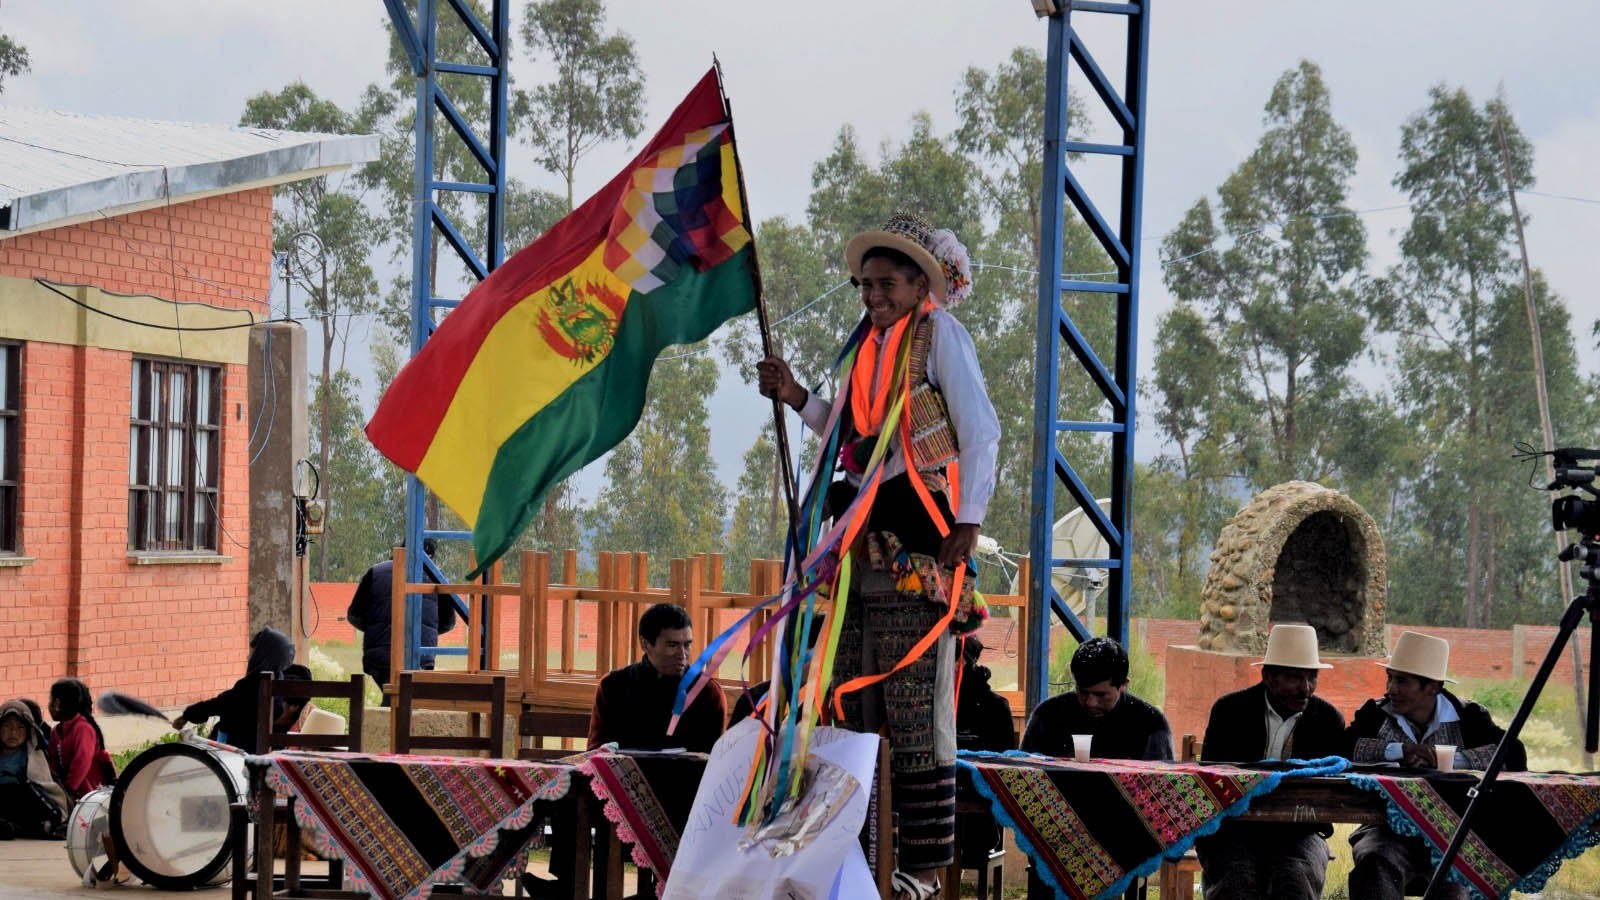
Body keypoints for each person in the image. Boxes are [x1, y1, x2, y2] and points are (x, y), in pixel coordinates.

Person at [758, 213, 1001, 898]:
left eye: (886, 283)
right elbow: (848, 434)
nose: (872, 296)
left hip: (920, 536)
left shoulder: (940, 336)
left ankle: (920, 870)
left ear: (921, 284)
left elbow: (981, 431)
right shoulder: (868, 346)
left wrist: (970, 520)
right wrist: (795, 395)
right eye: (865, 285)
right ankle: (853, 856)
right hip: (858, 539)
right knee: (848, 697)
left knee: (914, 705)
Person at [1345, 631, 1524, 900]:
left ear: (1433, 687)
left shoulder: (1468, 716)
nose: (1391, 689)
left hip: (1452, 832)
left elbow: (1514, 755)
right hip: (1384, 828)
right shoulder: (1375, 714)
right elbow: (1341, 748)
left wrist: (1446, 758)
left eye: (1402, 681)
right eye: (1390, 678)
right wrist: (1400, 751)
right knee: (1374, 864)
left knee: (1457, 878)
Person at [1194, 623, 1347, 900]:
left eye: (1312, 677)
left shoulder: (1328, 719)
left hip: (1300, 832)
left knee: (1294, 882)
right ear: (1268, 677)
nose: (1306, 688)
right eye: (1294, 678)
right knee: (1236, 883)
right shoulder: (1229, 711)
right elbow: (1212, 781)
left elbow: (1330, 791)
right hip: (1232, 828)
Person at [588, 603, 726, 752]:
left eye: (687, 645)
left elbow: (715, 759)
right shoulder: (613, 687)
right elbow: (596, 755)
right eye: (672, 645)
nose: (682, 655)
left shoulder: (707, 692)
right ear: (645, 644)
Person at [1020, 636, 1172, 761]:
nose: (1090, 703)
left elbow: (1160, 782)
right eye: (1082, 692)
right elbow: (1024, 771)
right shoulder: (1048, 715)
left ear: (1123, 685)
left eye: (1101, 695)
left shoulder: (1150, 723)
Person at [345, 539, 457, 701]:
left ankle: (390, 714)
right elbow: (448, 622)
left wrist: (376, 628)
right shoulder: (437, 577)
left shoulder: (375, 572)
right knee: (405, 702)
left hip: (380, 658)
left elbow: (354, 615)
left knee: (393, 699)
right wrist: (423, 631)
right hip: (420, 657)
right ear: (431, 555)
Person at [172, 626, 295, 754]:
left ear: (263, 655)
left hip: (239, 750)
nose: (249, 656)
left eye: (255, 652)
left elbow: (222, 703)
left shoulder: (253, 684)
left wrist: (188, 715)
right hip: (254, 746)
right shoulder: (278, 680)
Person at [954, 636, 1015, 873]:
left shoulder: (995, 707)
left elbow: (1003, 770)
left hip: (978, 817)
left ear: (964, 662)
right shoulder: (931, 703)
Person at [0, 698, 70, 840]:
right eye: (7, 726)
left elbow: (45, 783)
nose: (13, 732)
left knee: (29, 790)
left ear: (29, 731)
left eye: (20, 727)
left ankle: (34, 826)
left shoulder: (33, 754)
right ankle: (9, 827)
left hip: (24, 801)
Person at [46, 678, 114, 801]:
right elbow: (53, 764)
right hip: (66, 794)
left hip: (90, 798)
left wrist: (69, 790)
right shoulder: (56, 731)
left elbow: (82, 761)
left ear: (57, 703)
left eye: (50, 700)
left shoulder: (83, 728)